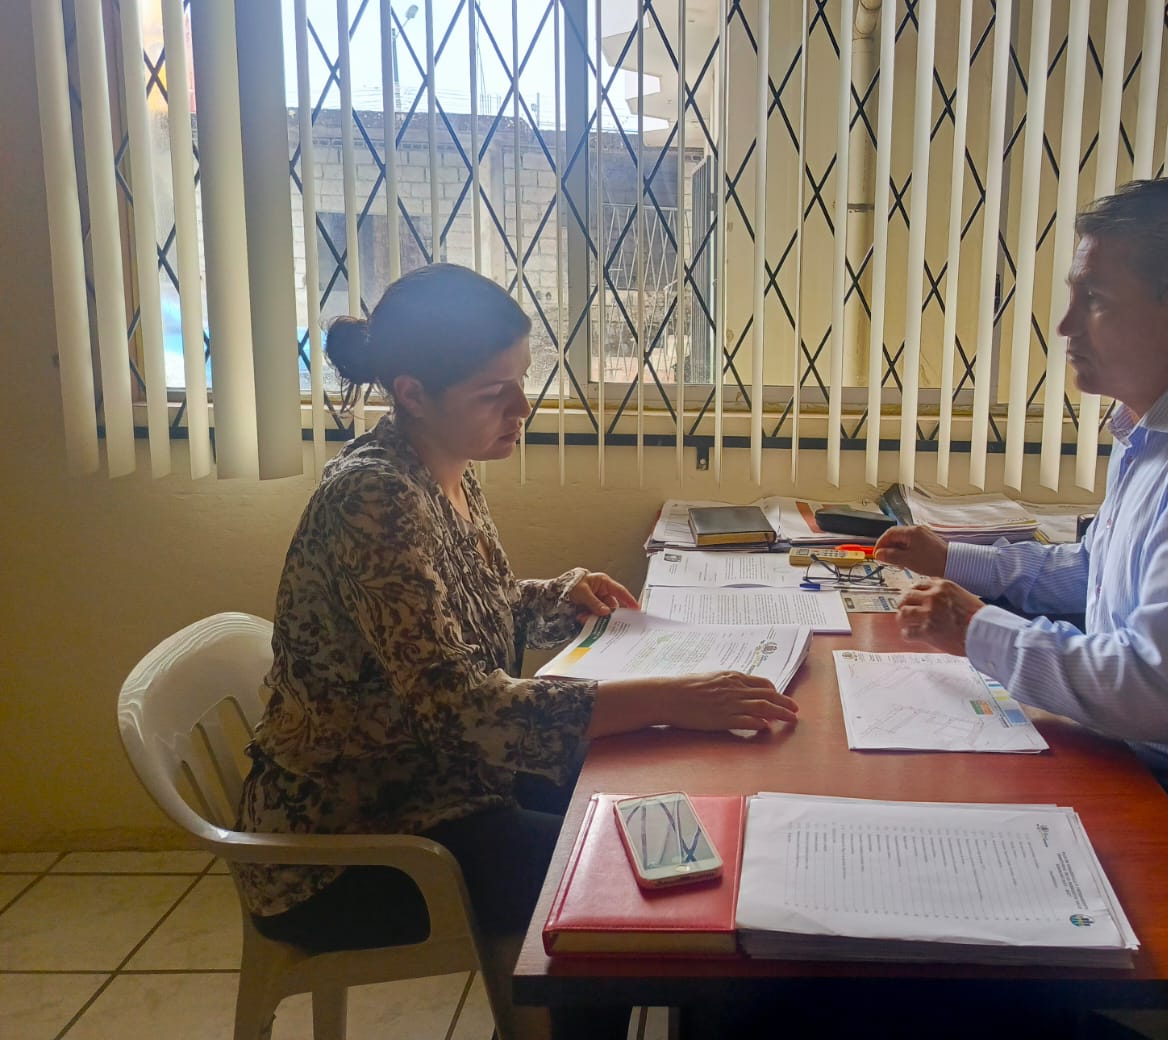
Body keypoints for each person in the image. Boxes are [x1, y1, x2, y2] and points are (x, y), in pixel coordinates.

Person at [235, 263, 797, 1033]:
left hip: (446, 785)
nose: (522, 408)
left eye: (522, 380)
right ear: (414, 394)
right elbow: (464, 710)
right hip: (354, 841)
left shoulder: (444, 467)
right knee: (609, 878)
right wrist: (672, 696)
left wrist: (561, 595)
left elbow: (474, 612)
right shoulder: (374, 499)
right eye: (493, 392)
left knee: (646, 806)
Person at [874, 178, 1168, 803]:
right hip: (1146, 766)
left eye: (1094, 299)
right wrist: (953, 560)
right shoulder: (1160, 427)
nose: (1065, 324)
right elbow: (1096, 572)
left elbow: (1153, 692)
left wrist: (974, 627)